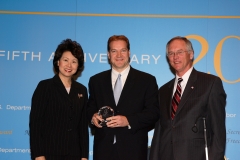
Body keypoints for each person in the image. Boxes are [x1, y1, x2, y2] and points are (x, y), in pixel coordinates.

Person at [149, 36, 226, 160]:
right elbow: (159, 132)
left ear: (191, 54)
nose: (175, 57)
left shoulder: (210, 83)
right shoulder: (163, 90)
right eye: (171, 53)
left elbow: (218, 131)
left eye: (180, 52)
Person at [87, 35, 159, 160]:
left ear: (129, 53)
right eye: (114, 51)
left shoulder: (146, 81)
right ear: (108, 54)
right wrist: (93, 117)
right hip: (103, 151)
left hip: (133, 151)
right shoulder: (96, 81)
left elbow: (153, 113)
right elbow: (89, 109)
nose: (119, 55)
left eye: (123, 50)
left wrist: (128, 121)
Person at [29, 39, 89, 160]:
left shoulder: (81, 90)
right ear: (58, 62)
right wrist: (39, 155)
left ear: (78, 66)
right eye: (65, 60)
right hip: (49, 153)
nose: (69, 65)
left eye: (74, 61)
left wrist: (84, 156)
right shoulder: (45, 87)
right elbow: (35, 125)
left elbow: (82, 128)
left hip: (74, 154)